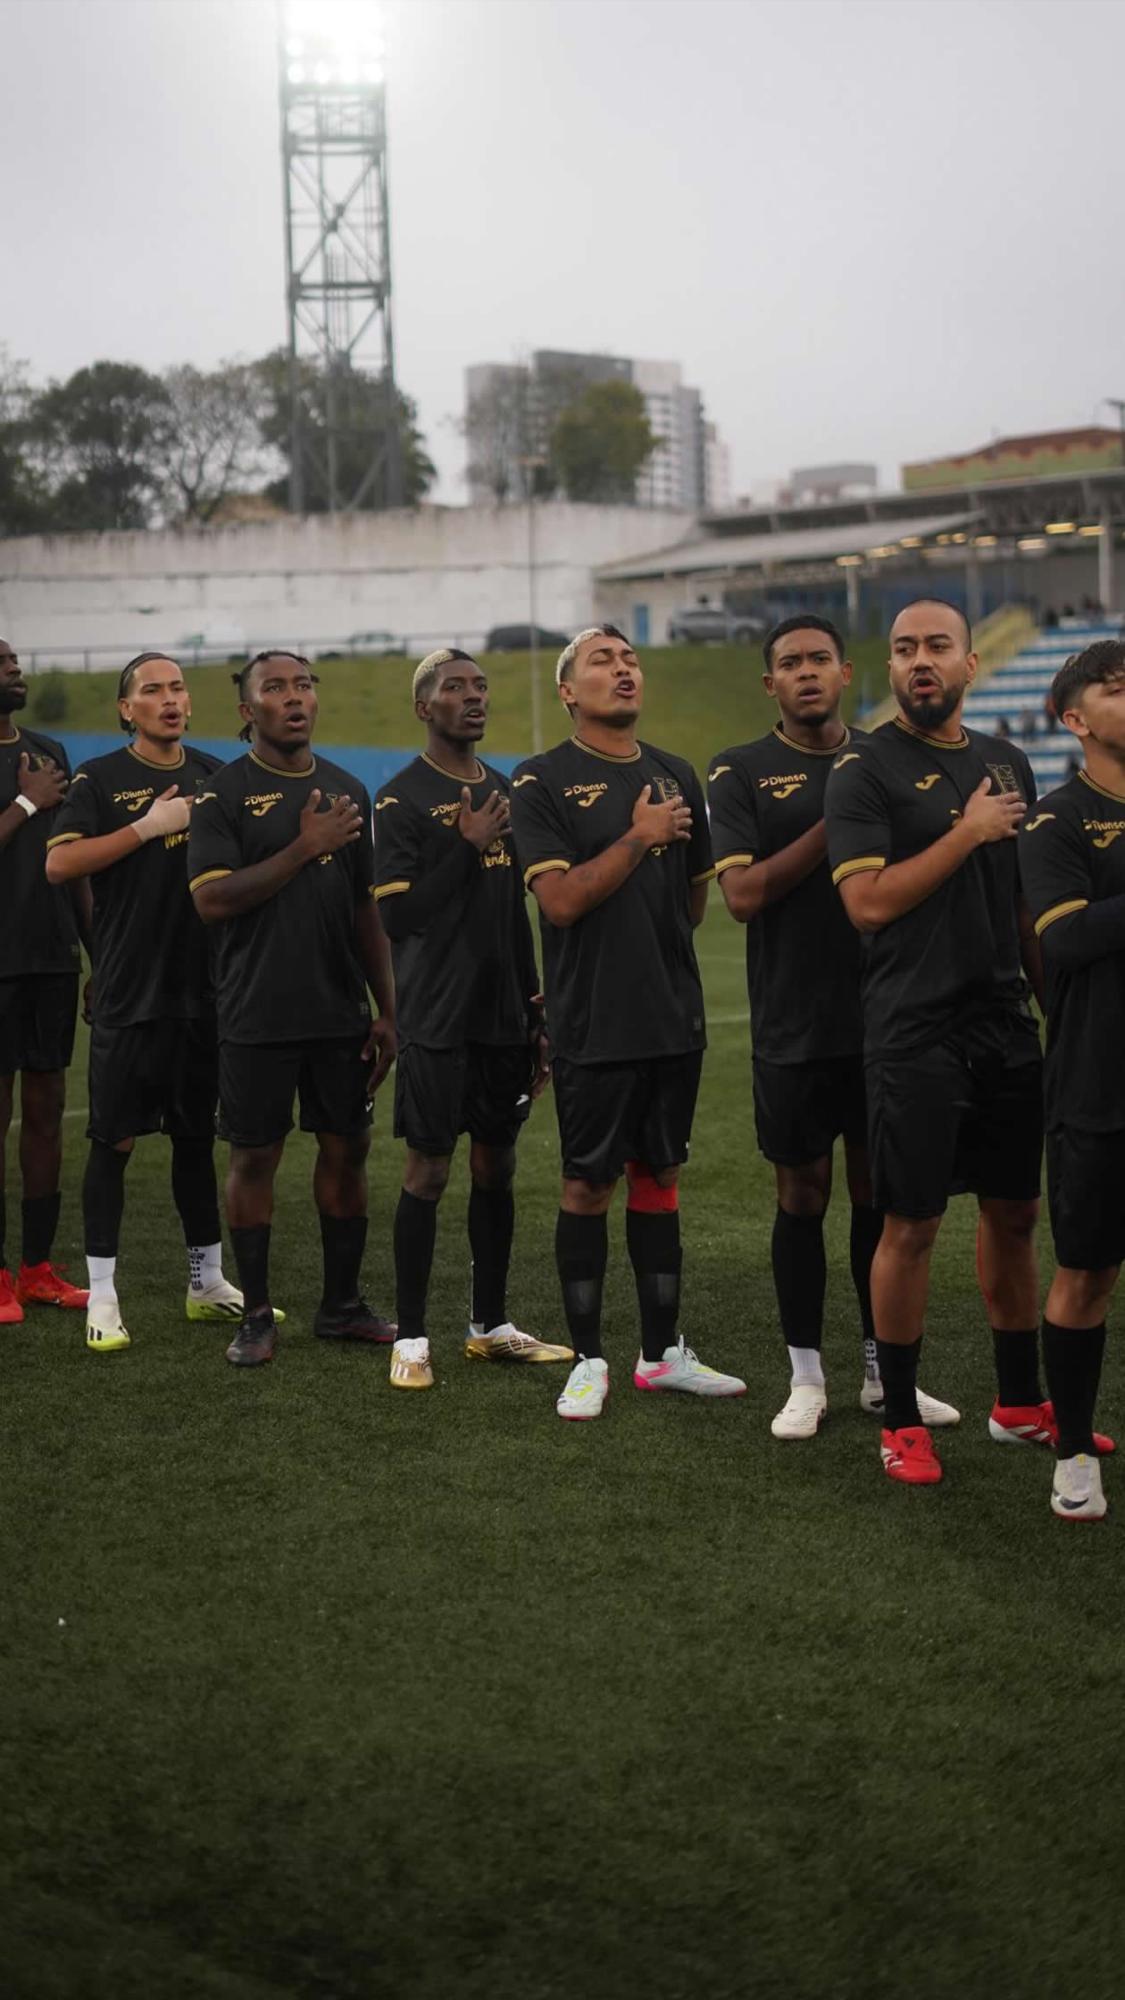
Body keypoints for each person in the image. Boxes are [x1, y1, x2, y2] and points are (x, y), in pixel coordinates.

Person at [825, 598, 1056, 1487]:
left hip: (1004, 1023)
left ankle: (1018, 1404)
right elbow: (867, 904)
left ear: (968, 664)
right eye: (903, 649)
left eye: (937, 647)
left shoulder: (1007, 761)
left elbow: (1023, 910)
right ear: (890, 668)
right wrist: (964, 832)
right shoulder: (864, 769)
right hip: (912, 1028)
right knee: (911, 1222)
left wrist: (1052, 1010)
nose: (919, 661)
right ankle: (900, 1419)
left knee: (1014, 1214)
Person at [708, 614, 957, 1439]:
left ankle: (883, 1372)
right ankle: (805, 1375)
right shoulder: (741, 770)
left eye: (819, 659)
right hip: (793, 1020)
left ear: (846, 672)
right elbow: (740, 896)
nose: (806, 672)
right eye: (789, 663)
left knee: (879, 1199)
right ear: (769, 683)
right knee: (800, 1195)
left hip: (891, 1016)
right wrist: (838, 813)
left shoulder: (895, 757)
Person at [510, 623, 745, 1420]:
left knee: (661, 1177)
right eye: (603, 662)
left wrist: (655, 848)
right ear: (568, 691)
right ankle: (586, 1360)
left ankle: (660, 1354)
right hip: (592, 1020)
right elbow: (562, 902)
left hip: (671, 1017)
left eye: (630, 659)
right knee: (586, 1184)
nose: (624, 670)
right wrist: (639, 837)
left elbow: (692, 902)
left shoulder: (676, 773)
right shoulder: (539, 781)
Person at [187, 651, 396, 1367]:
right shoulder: (221, 795)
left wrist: (387, 1007)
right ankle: (254, 1315)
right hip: (256, 1012)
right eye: (274, 688)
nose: (294, 697)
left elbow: (364, 907)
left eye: (304, 684)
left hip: (340, 1012)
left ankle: (341, 1306)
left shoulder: (344, 790)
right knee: (255, 1157)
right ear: (247, 711)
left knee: (347, 1150)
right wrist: (304, 848)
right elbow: (211, 900)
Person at [372, 649, 570, 1389]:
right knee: (427, 1171)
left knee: (497, 1164)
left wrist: (535, 1008)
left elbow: (513, 909)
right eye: (454, 688)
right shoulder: (399, 798)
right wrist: (463, 846)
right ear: (425, 708)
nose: (473, 696)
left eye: (480, 685)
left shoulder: (504, 787)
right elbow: (398, 916)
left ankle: (489, 1326)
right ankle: (413, 1339)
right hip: (436, 1017)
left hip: (502, 1017)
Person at [46, 653, 245, 1352]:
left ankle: (207, 1283)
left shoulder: (215, 775)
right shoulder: (100, 779)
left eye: (177, 687)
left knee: (195, 1139)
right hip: (132, 987)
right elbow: (59, 863)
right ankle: (103, 1296)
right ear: (126, 709)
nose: (169, 698)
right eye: (151, 690)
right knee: (114, 1142)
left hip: (206, 989)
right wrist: (146, 828)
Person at [1018, 639, 1125, 1520]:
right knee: (1085, 1273)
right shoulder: (1056, 820)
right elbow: (1066, 940)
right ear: (1073, 719)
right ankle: (1072, 1453)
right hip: (1099, 1084)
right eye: (1113, 688)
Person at [0, 635, 90, 1322]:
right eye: (1, 663)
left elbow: (71, 862)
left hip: (51, 959)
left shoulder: (49, 752)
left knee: (44, 1115)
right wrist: (26, 805)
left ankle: (35, 1268)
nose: (13, 669)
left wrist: (100, 953)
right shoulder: (35, 778)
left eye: (14, 661)